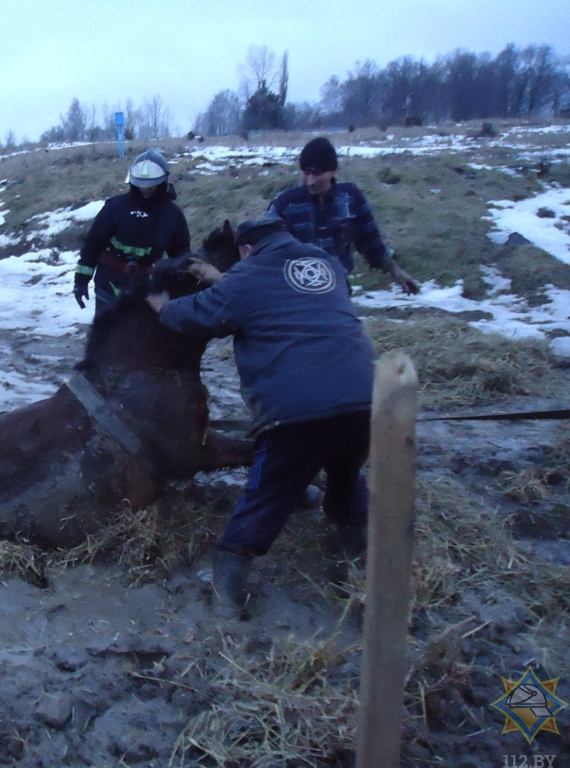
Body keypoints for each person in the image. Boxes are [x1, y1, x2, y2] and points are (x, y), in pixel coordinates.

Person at [147, 217, 375, 618]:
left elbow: (200, 314)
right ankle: (356, 558)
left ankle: (228, 590)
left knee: (268, 491)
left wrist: (164, 309)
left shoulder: (248, 274)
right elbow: (283, 293)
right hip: (365, 399)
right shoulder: (326, 263)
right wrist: (225, 279)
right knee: (344, 470)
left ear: (247, 251)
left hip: (297, 409)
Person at [268, 136, 421, 295]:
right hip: (296, 291)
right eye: (306, 173)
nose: (310, 181)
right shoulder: (285, 204)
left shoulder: (350, 198)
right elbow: (265, 250)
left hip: (339, 290)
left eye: (317, 174)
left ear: (332, 172)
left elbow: (371, 241)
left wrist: (395, 270)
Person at [73, 149, 191, 317]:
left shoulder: (172, 216)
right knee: (106, 338)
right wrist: (81, 281)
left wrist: (182, 288)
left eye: (151, 185)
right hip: (109, 283)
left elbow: (181, 255)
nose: (145, 190)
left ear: (163, 182)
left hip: (147, 287)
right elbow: (93, 244)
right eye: (141, 185)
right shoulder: (115, 208)